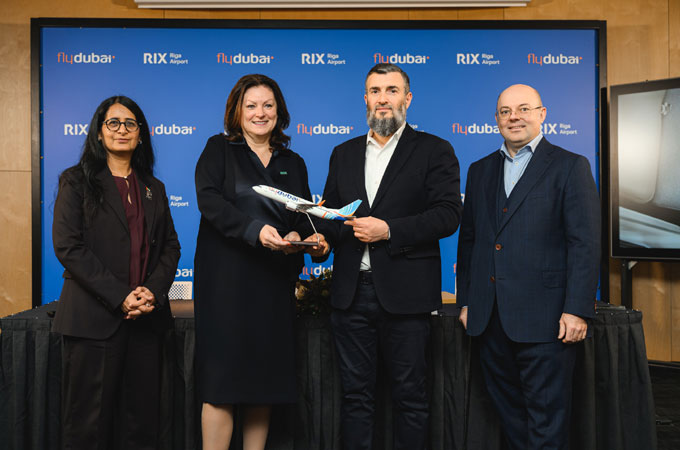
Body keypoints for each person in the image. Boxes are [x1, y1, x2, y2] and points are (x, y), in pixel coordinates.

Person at [305, 63, 462, 450]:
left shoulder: (434, 150)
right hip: (350, 295)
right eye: (375, 91)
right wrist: (321, 241)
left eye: (392, 90)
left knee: (411, 398)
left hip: (407, 296)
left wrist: (389, 229)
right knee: (355, 399)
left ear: (407, 98)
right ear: (366, 99)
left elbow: (448, 215)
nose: (383, 99)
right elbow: (334, 220)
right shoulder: (343, 153)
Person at [456, 84, 601, 450]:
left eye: (523, 109)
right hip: (489, 320)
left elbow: (584, 243)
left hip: (548, 320)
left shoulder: (570, 166)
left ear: (542, 114)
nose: (514, 117)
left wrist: (577, 309)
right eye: (505, 111)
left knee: (547, 419)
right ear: (496, 119)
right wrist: (467, 302)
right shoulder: (479, 170)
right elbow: (470, 241)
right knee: (510, 418)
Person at [52, 95, 181, 450]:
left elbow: (171, 247)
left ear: (140, 134)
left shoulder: (154, 188)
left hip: (145, 323)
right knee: (87, 429)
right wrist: (121, 296)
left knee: (140, 428)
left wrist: (151, 291)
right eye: (113, 123)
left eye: (130, 124)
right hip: (92, 322)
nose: (121, 130)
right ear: (99, 132)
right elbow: (68, 246)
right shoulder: (76, 181)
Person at [194, 74, 313, 450]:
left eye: (268, 105)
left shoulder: (293, 162)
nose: (260, 113)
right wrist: (256, 231)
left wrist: (304, 238)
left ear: (279, 111)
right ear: (237, 111)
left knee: (265, 385)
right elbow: (210, 201)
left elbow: (302, 219)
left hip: (273, 286)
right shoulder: (218, 150)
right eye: (251, 105)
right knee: (221, 386)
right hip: (226, 286)